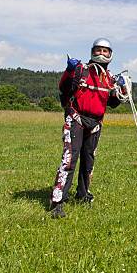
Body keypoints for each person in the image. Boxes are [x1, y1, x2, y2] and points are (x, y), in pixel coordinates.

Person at [50, 38, 123, 218]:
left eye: (105, 51)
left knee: (88, 161)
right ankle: (58, 201)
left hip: (96, 124)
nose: (101, 53)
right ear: (92, 51)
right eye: (98, 50)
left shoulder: (110, 78)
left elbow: (113, 103)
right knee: (70, 159)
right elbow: (64, 87)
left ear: (110, 54)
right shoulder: (81, 70)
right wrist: (68, 71)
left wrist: (122, 90)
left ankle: (83, 195)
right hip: (76, 118)